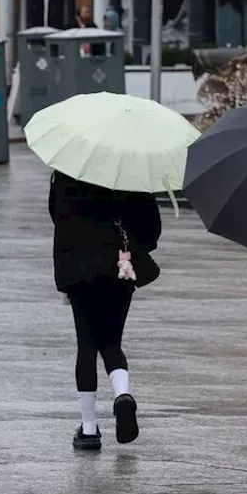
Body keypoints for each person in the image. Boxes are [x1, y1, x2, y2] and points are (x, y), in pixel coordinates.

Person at [49, 172, 161, 450]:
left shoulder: (65, 173)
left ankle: (88, 429)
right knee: (111, 342)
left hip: (78, 270)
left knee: (86, 346)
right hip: (119, 268)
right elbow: (151, 230)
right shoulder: (132, 173)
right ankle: (123, 394)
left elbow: (58, 217)